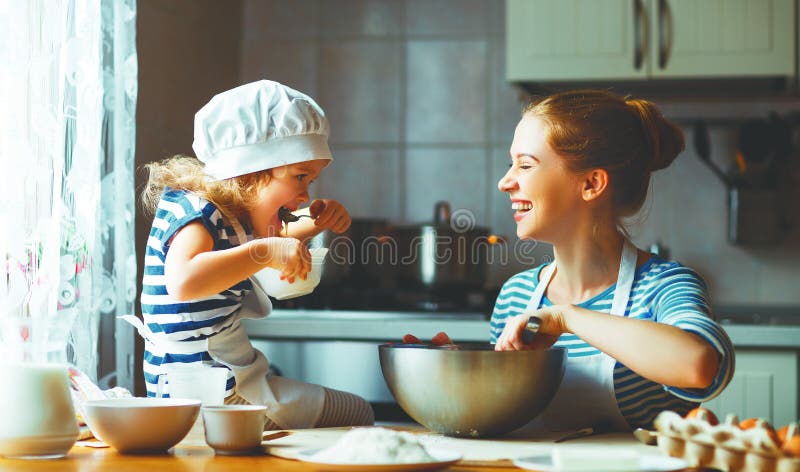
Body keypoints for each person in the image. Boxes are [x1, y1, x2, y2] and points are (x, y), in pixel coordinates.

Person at [132, 80, 373, 430]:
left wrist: (314, 223)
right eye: (301, 176)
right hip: (208, 393)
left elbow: (265, 240)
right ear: (252, 170)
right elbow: (184, 280)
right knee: (355, 413)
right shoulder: (199, 210)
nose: (306, 195)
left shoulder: (232, 217)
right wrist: (265, 252)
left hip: (227, 377)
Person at [491, 89, 734, 432]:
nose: (505, 182)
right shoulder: (515, 297)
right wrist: (447, 362)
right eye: (510, 163)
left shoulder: (663, 287)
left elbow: (699, 366)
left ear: (591, 183)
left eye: (525, 165)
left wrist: (567, 318)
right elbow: (500, 414)